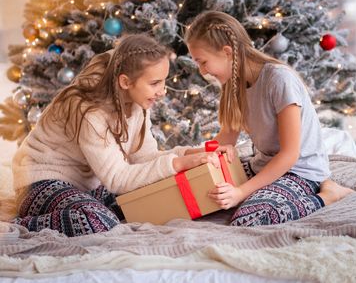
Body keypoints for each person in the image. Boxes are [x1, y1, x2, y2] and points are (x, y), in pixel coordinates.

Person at [11, 34, 224, 237]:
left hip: (89, 186)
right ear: (125, 82)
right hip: (42, 183)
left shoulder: (137, 100)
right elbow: (117, 179)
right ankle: (14, 226)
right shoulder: (89, 110)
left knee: (146, 202)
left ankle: (83, 206)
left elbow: (144, 158)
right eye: (154, 83)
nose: (163, 91)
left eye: (163, 81)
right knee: (100, 221)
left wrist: (193, 153)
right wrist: (178, 164)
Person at [184, 11, 354, 226]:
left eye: (203, 62)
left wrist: (240, 192)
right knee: (203, 189)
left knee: (249, 219)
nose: (201, 71)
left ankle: (328, 195)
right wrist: (186, 157)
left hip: (299, 172)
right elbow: (226, 139)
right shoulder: (233, 83)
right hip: (264, 165)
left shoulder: (279, 80)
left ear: (227, 52)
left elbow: (290, 155)